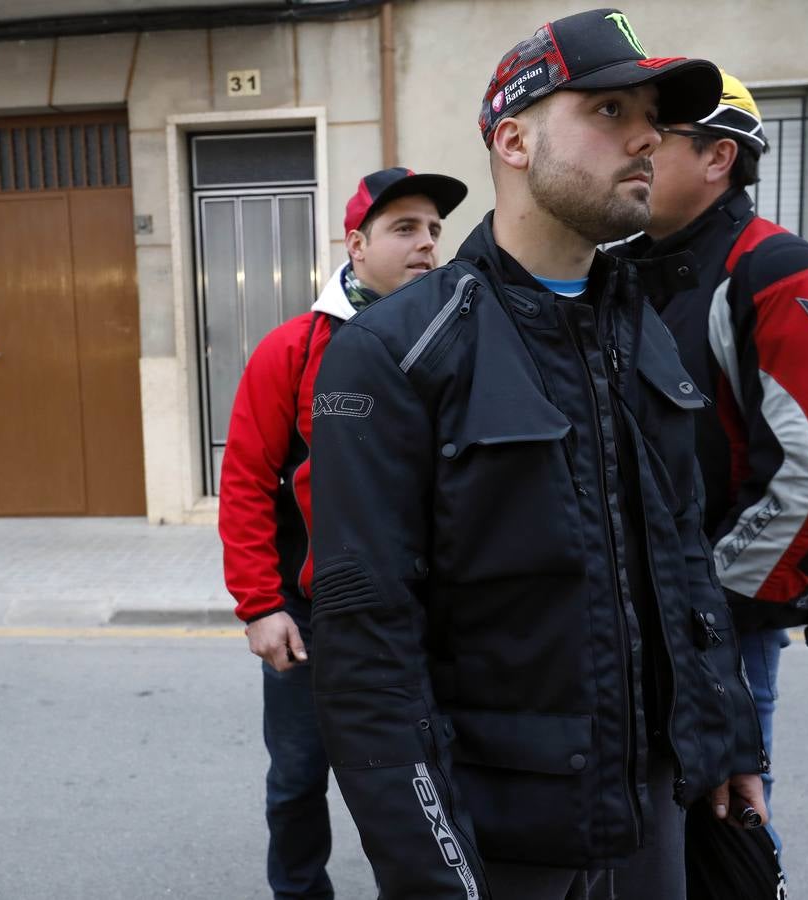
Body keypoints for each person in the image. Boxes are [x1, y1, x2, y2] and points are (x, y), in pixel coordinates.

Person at [307, 10, 769, 898]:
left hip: (657, 813)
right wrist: (437, 874)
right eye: (608, 111)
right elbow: (367, 647)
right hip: (506, 837)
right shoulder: (399, 348)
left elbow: (681, 563)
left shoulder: (641, 326)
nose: (647, 139)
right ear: (514, 141)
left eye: (655, 119)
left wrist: (728, 741)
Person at [614, 70, 808, 845]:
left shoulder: (783, 274)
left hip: (718, 616)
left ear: (719, 157)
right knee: (651, 831)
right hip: (635, 609)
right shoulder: (625, 269)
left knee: (724, 832)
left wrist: (708, 607)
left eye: (657, 137)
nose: (636, 147)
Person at [219, 167, 467, 899]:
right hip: (314, 623)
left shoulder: (460, 337)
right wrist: (260, 605)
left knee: (429, 780)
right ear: (355, 245)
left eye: (432, 231)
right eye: (404, 230)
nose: (425, 246)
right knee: (298, 783)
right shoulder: (292, 349)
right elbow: (245, 484)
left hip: (430, 618)